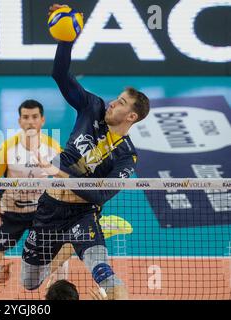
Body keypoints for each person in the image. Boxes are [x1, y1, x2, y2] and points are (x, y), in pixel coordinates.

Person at [20, 4, 150, 300]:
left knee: (106, 277)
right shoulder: (92, 107)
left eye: (120, 103)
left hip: (83, 217)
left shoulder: (126, 157)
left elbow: (102, 195)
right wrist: (66, 40)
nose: (112, 104)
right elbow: (59, 74)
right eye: (115, 99)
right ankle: (65, 248)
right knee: (29, 283)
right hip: (49, 210)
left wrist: (60, 174)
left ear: (131, 117)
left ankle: (89, 237)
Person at [0, 99, 72, 300]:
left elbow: (64, 180)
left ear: (42, 120)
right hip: (10, 212)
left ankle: (57, 295)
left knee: (60, 256)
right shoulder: (7, 147)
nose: (30, 122)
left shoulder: (53, 148)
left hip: (43, 213)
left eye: (35, 117)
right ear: (20, 121)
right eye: (26, 117)